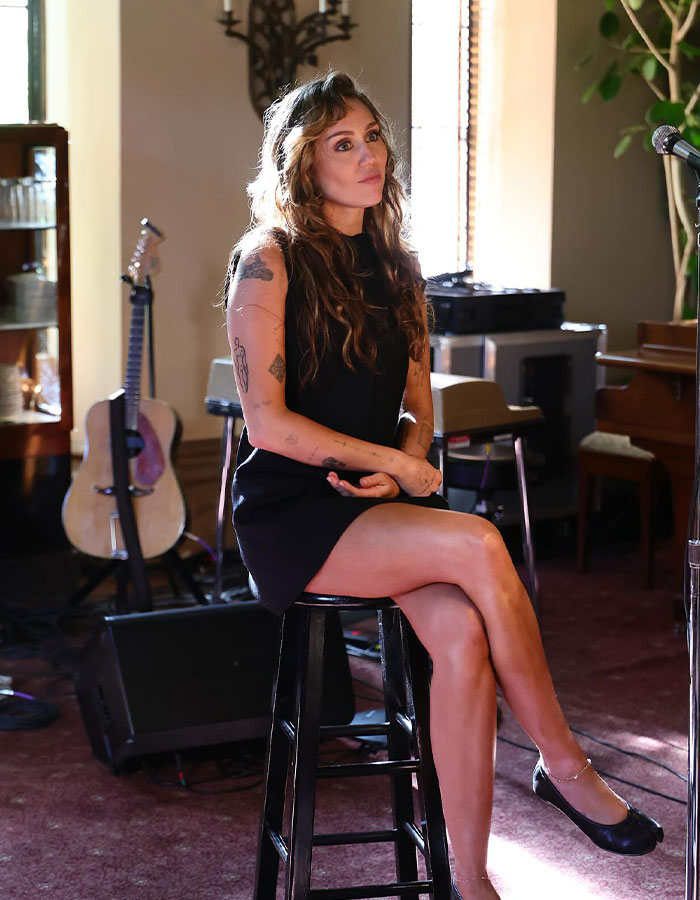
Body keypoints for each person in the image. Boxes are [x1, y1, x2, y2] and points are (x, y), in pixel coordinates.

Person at [223, 71, 663, 899]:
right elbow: (269, 425)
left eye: (372, 137)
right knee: (481, 538)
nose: (367, 157)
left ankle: (470, 882)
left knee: (461, 639)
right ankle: (563, 764)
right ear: (300, 164)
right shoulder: (267, 261)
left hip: (386, 507)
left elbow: (418, 409)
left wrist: (403, 461)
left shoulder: (399, 269)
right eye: (341, 144)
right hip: (294, 515)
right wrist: (398, 465)